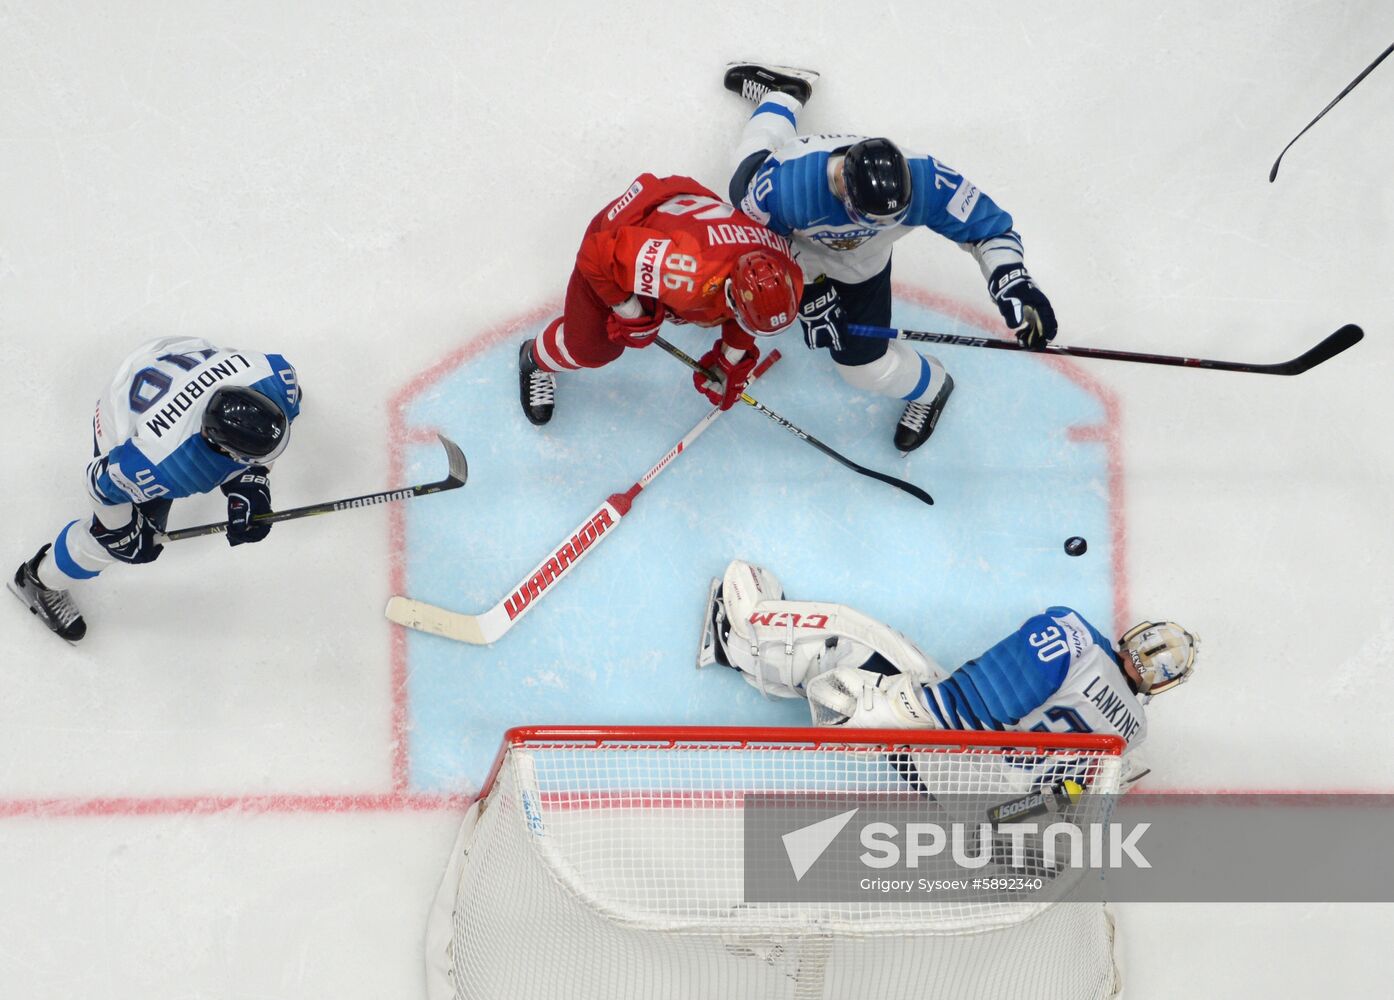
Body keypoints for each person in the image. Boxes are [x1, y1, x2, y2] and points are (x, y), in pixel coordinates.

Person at [723, 63, 1059, 453]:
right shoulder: (784, 187)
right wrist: (807, 294)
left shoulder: (926, 183)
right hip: (799, 253)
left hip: (860, 269)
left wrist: (1013, 278)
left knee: (862, 368)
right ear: (844, 189)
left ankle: (932, 387)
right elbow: (755, 246)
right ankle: (783, 95)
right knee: (742, 175)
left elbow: (989, 230)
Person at [698, 559, 1197, 750]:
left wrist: (899, 710)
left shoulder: (1077, 638)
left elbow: (989, 697)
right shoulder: (1133, 735)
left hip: (956, 755)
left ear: (1137, 636)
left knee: (859, 642)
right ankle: (776, 673)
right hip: (976, 811)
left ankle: (741, 641)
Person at [8, 337, 301, 642]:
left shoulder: (275, 377)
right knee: (116, 541)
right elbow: (99, 484)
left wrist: (252, 480)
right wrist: (121, 532)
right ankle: (37, 580)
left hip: (165, 355)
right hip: (123, 406)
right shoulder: (158, 462)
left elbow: (252, 453)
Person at [518, 173, 803, 425]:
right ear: (729, 290)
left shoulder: (788, 273)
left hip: (680, 224)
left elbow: (751, 305)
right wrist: (629, 311)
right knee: (590, 348)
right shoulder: (684, 273)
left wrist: (731, 359)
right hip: (618, 237)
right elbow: (595, 255)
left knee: (685, 306)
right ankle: (534, 359)